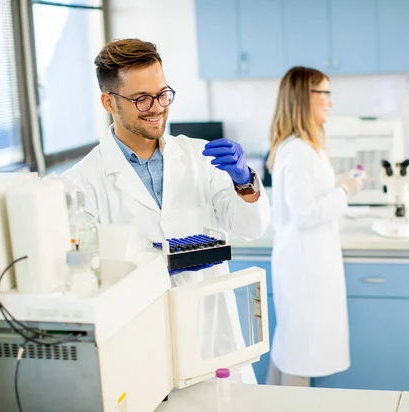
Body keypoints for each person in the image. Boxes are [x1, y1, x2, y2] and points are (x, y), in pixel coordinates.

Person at [63, 38, 271, 383]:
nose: (157, 107)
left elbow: (251, 227)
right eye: (142, 98)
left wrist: (245, 181)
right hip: (140, 349)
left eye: (162, 94)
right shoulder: (81, 184)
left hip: (213, 343)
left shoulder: (200, 158)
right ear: (108, 101)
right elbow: (88, 280)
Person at [265, 67, 365, 387]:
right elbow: (305, 212)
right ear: (305, 97)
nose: (330, 104)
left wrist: (339, 183)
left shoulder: (304, 146)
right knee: (299, 353)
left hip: (306, 263)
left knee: (290, 348)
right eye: (326, 94)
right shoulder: (296, 150)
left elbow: (306, 194)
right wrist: (346, 190)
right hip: (304, 267)